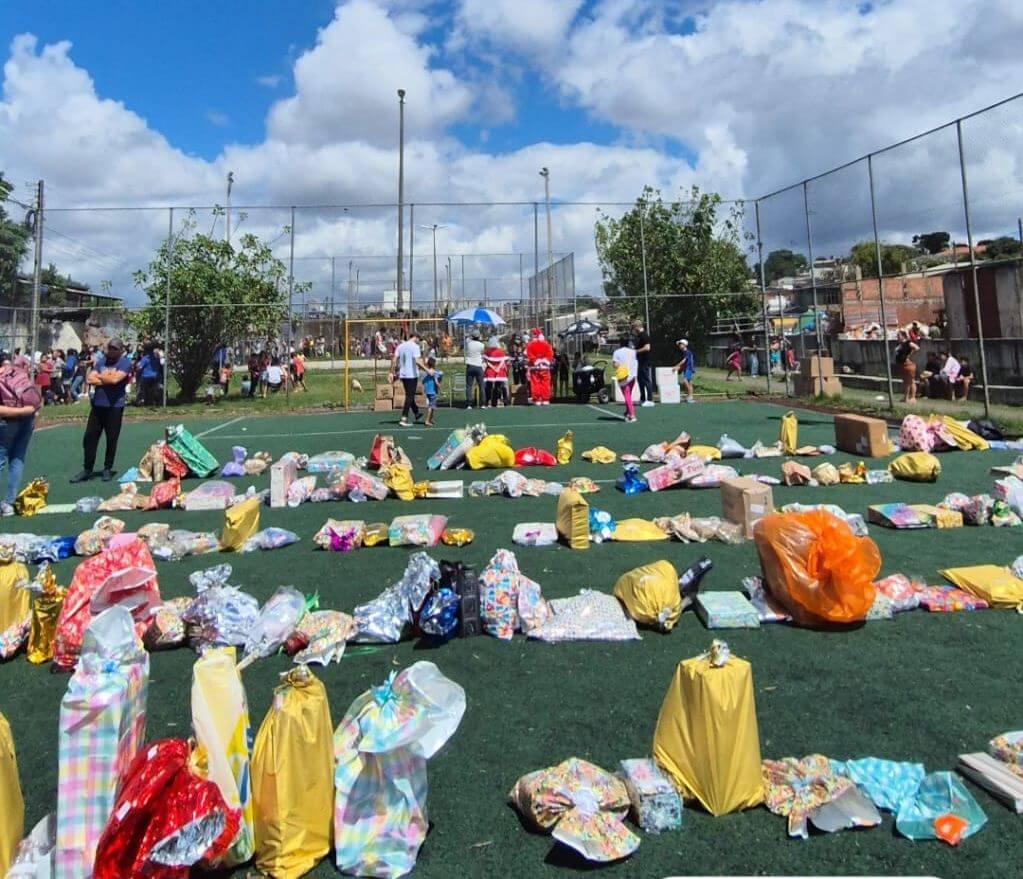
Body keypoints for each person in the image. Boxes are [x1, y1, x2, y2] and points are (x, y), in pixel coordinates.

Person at [70, 337, 132, 483]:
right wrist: (107, 377)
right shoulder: (101, 361)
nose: (111, 350)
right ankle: (87, 469)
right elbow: (90, 379)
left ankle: (107, 468)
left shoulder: (125, 363)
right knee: (89, 438)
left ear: (121, 350)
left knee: (111, 438)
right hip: (98, 405)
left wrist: (102, 377)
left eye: (115, 348)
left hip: (115, 406)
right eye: (110, 347)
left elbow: (116, 380)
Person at [0, 355, 41, 516]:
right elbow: (34, 393)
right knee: (17, 459)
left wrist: (20, 411)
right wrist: (29, 411)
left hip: (8, 421)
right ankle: (9, 503)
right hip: (27, 419)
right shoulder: (16, 371)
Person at [391, 332, 432, 427]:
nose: (419, 341)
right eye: (419, 339)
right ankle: (404, 418)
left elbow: (394, 359)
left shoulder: (400, 346)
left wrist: (391, 372)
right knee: (409, 396)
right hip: (411, 375)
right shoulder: (415, 347)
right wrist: (427, 370)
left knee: (410, 394)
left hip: (403, 374)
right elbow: (417, 361)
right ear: (416, 338)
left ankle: (417, 413)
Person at [525, 328, 554, 405]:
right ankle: (545, 399)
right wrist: (544, 361)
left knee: (535, 383)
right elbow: (550, 355)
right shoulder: (547, 345)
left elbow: (529, 355)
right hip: (545, 367)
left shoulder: (530, 345)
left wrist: (536, 361)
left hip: (534, 367)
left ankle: (537, 399)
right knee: (545, 383)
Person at [612, 339, 638, 422]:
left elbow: (616, 365)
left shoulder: (617, 352)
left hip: (623, 376)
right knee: (628, 395)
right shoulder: (633, 352)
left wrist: (614, 365)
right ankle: (627, 412)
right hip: (633, 375)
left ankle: (632, 414)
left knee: (627, 396)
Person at [893, 330, 920, 404]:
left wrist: (909, 355)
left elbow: (917, 348)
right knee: (906, 382)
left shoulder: (908, 343)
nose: (897, 337)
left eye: (899, 336)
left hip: (907, 364)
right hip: (902, 364)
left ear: (903, 336)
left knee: (910, 381)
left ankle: (912, 397)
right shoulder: (900, 344)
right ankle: (906, 397)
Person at [632, 320, 654, 406]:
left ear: (638, 326)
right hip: (639, 361)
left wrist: (635, 351)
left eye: (634, 327)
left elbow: (647, 348)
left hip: (645, 361)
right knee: (640, 380)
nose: (633, 329)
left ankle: (650, 400)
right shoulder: (639, 336)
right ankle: (642, 398)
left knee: (646, 379)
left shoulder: (645, 335)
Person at [483, 336, 509, 407]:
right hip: (499, 371)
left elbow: (486, 361)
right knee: (499, 386)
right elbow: (502, 361)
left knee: (489, 386)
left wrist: (493, 367)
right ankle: (505, 401)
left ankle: (488, 401)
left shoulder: (487, 351)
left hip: (490, 371)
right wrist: (497, 368)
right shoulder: (500, 351)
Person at [464, 330, 485, 409]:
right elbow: (482, 354)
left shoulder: (468, 343)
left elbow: (467, 339)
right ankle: (482, 403)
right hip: (478, 365)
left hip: (470, 365)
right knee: (481, 385)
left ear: (472, 336)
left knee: (469, 385)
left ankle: (469, 404)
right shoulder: (481, 345)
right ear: (479, 336)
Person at [421, 356, 443, 427]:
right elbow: (436, 382)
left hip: (427, 391)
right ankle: (427, 420)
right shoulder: (434, 373)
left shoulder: (426, 373)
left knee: (432, 406)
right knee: (431, 406)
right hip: (433, 391)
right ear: (434, 364)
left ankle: (430, 419)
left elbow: (423, 381)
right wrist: (441, 390)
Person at [673, 338, 695, 403]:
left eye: (680, 344)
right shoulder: (684, 352)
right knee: (690, 382)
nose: (679, 345)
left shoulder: (687, 352)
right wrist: (679, 368)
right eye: (679, 344)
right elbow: (685, 363)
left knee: (685, 381)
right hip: (687, 368)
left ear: (684, 345)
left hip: (689, 368)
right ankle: (690, 397)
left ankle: (690, 396)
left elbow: (684, 361)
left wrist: (676, 366)